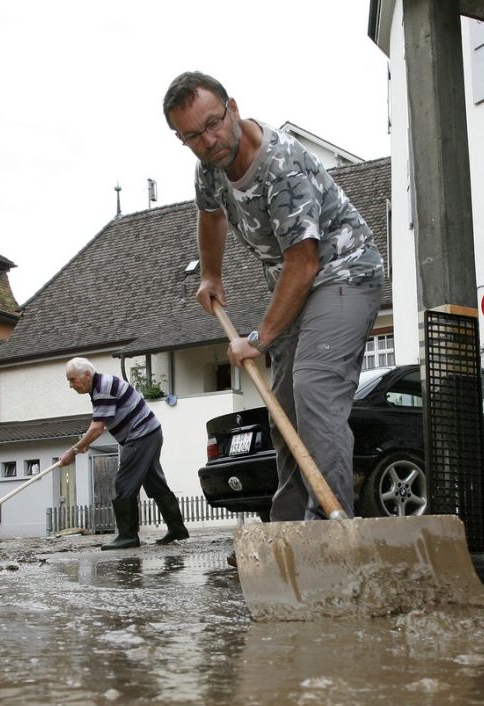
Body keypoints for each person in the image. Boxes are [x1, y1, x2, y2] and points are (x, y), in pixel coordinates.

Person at [162, 72, 384, 524]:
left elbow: (304, 263)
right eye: (192, 136)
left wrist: (258, 339)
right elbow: (211, 215)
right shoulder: (210, 166)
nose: (208, 141)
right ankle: (287, 532)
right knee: (283, 408)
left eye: (212, 124)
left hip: (344, 272)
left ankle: (331, 530)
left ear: (233, 108)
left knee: (314, 386)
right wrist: (210, 275)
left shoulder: (281, 167)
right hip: (296, 289)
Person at [59, 357, 189, 550]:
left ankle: (128, 536)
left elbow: (97, 428)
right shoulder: (100, 386)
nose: (71, 385)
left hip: (140, 436)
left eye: (73, 379)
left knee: (124, 483)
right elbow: (99, 425)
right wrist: (84, 444)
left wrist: (74, 450)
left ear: (87, 374)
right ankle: (177, 529)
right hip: (150, 432)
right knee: (154, 483)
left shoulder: (102, 387)